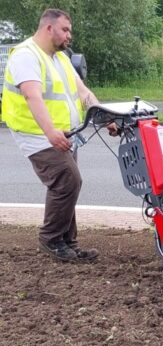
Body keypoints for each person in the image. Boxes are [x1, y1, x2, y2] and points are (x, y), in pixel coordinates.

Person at [2, 8, 118, 262]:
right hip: (36, 134)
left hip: (64, 133)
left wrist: (105, 116)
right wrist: (50, 132)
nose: (69, 36)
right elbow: (32, 95)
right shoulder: (26, 55)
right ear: (48, 28)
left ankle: (68, 243)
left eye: (70, 31)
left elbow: (83, 92)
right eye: (65, 30)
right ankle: (51, 239)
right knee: (68, 181)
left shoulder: (61, 58)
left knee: (66, 185)